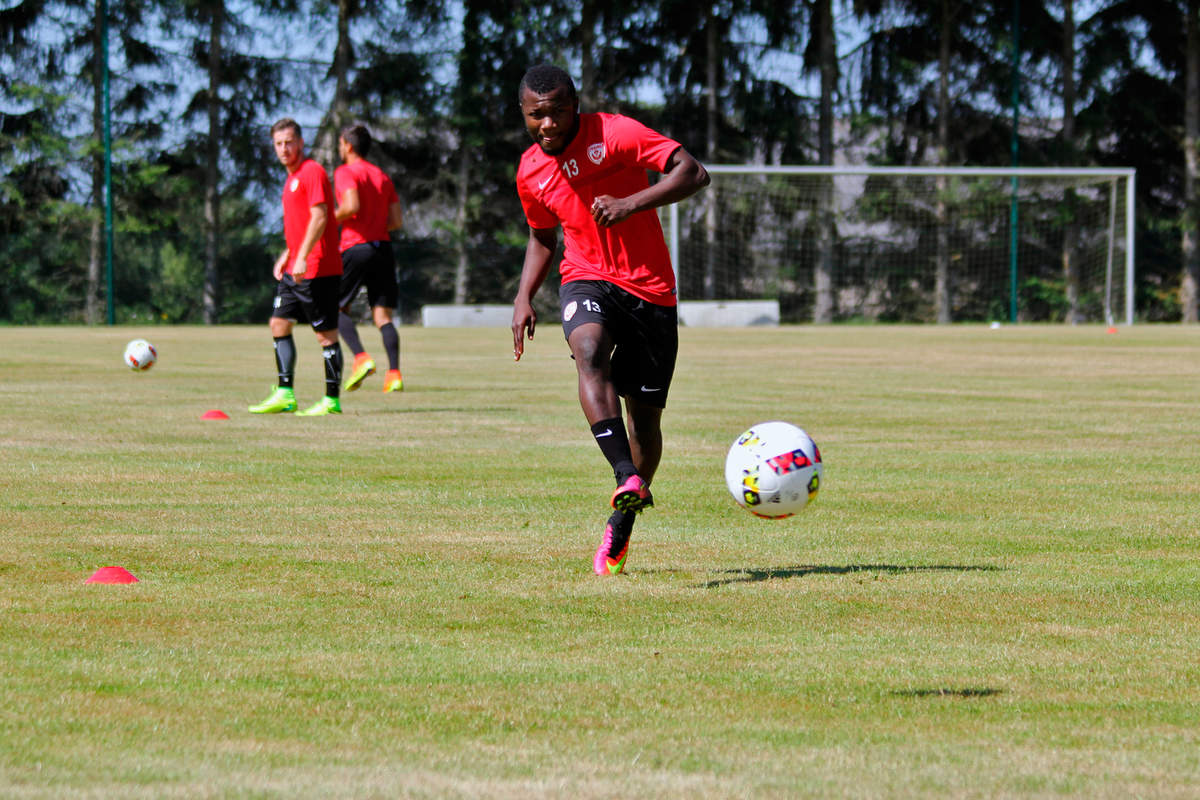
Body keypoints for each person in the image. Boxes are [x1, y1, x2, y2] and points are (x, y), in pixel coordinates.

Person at [510, 65, 710, 577]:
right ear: (525, 116)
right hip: (585, 277)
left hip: (651, 291)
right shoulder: (530, 170)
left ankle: (620, 525)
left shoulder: (615, 133)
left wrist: (630, 203)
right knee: (589, 351)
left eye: (556, 112)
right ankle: (626, 475)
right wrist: (524, 296)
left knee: (644, 421)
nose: (548, 125)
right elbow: (541, 236)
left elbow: (692, 171)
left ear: (575, 105)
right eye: (537, 116)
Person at [249, 118, 345, 416]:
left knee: (325, 335)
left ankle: (331, 401)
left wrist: (302, 256)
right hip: (296, 265)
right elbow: (301, 225)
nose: (284, 148)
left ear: (301, 143)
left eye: (289, 142)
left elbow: (320, 217)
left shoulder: (311, 171)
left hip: (318, 267)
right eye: (278, 143)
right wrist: (288, 254)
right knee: (279, 323)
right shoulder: (291, 179)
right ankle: (285, 393)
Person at [334, 124, 406, 393]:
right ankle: (394, 374)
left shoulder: (345, 172)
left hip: (355, 247)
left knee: (334, 307)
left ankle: (361, 358)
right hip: (383, 248)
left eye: (340, 144)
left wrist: (327, 220)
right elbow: (396, 221)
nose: (339, 149)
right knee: (383, 316)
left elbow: (351, 206)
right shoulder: (382, 176)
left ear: (348, 146)